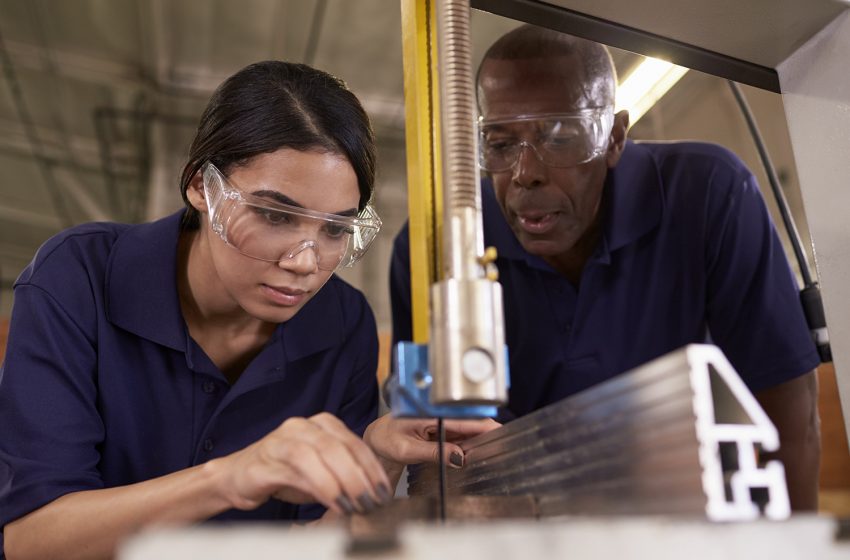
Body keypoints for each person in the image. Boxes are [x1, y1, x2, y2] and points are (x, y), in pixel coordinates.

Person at [0, 60, 496, 560]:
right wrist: (234, 476)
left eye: (334, 229)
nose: (304, 263)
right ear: (200, 185)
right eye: (275, 214)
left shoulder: (344, 325)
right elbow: (31, 539)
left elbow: (314, 544)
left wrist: (379, 458)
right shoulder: (80, 278)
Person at [390, 25, 821, 510]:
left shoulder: (708, 196)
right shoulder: (436, 246)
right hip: (524, 524)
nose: (525, 173)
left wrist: (798, 544)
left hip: (687, 509)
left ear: (614, 136)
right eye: (501, 143)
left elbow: (787, 409)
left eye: (559, 137)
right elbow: (430, 451)